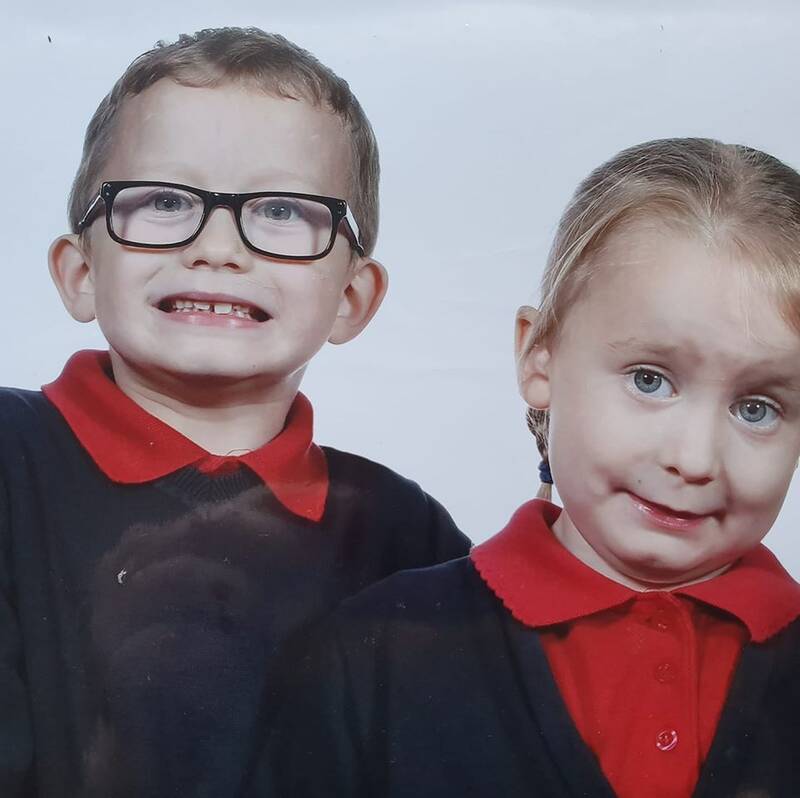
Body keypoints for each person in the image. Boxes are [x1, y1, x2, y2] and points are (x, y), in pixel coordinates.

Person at [0, 27, 470, 797]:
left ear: (351, 299)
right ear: (81, 272)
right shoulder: (9, 460)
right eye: (164, 200)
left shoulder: (408, 535)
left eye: (282, 210)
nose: (219, 248)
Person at [263, 138, 800, 798]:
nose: (694, 460)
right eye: (649, 379)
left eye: (756, 409)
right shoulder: (372, 656)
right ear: (539, 358)